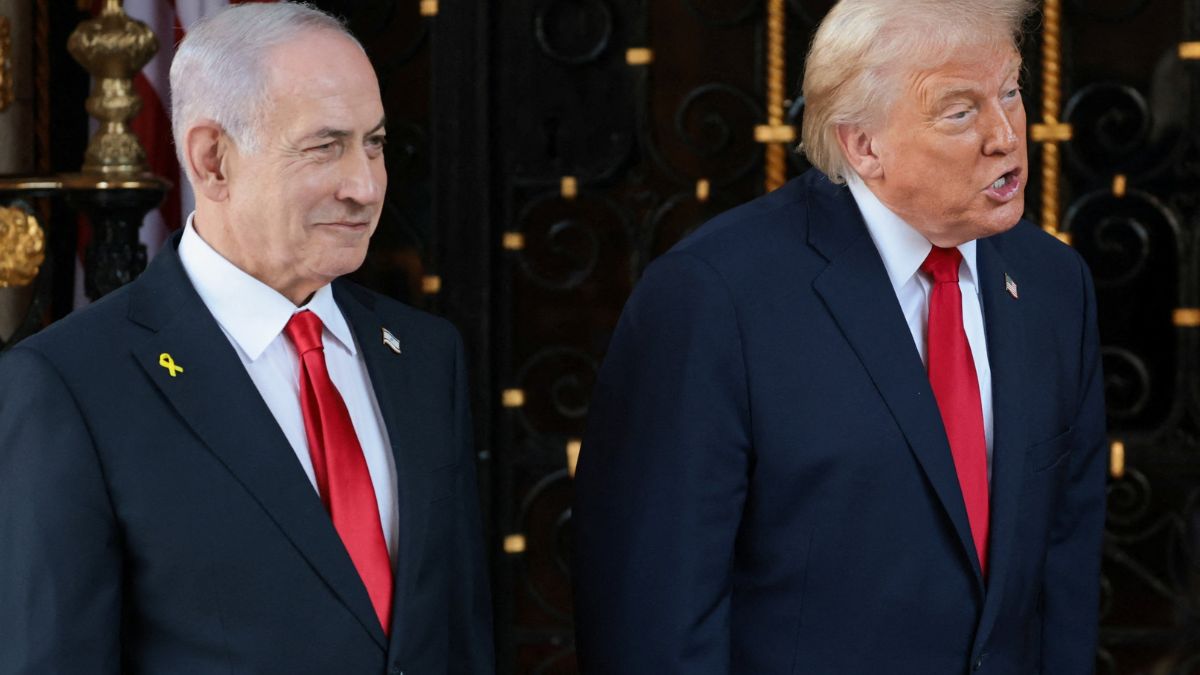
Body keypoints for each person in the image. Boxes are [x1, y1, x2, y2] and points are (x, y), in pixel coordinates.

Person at [573, 0, 1106, 673]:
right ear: (863, 145)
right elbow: (653, 621)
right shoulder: (712, 298)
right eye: (960, 112)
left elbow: (1065, 572)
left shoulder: (1054, 283)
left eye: (1009, 93)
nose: (1004, 135)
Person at [0, 4, 492, 673]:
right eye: (325, 146)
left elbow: (457, 634)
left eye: (374, 143)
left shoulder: (426, 355)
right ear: (213, 160)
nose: (365, 185)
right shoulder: (71, 385)